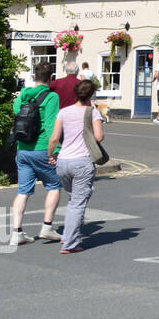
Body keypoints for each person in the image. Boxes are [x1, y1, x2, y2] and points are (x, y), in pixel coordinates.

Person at [47, 78, 104, 254]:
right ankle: (70, 243)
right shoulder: (92, 112)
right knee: (78, 203)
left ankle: (68, 235)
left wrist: (51, 154)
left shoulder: (63, 112)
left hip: (63, 162)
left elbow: (55, 138)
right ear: (91, 95)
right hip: (82, 161)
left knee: (74, 199)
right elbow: (99, 136)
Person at [10, 63, 63, 246]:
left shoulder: (23, 95)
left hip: (23, 149)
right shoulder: (52, 97)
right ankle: (47, 227)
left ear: (34, 77)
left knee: (23, 192)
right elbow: (50, 126)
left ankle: (17, 232)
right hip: (41, 149)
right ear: (51, 78)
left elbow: (16, 112)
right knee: (54, 185)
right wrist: (54, 151)